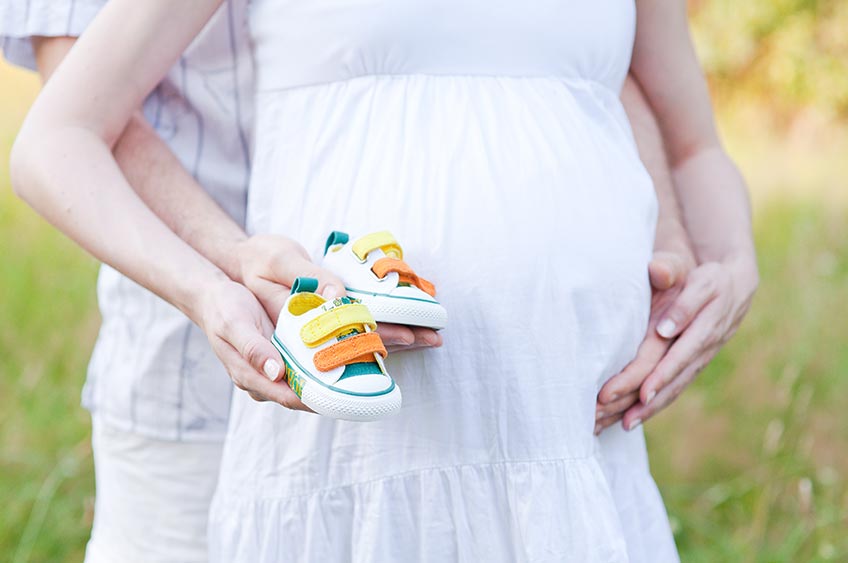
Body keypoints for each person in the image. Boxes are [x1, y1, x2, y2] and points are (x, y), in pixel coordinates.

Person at [7, 0, 758, 561]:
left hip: (573, 464)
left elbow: (689, 140)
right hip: (353, 468)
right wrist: (220, 280)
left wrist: (728, 263)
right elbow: (61, 129)